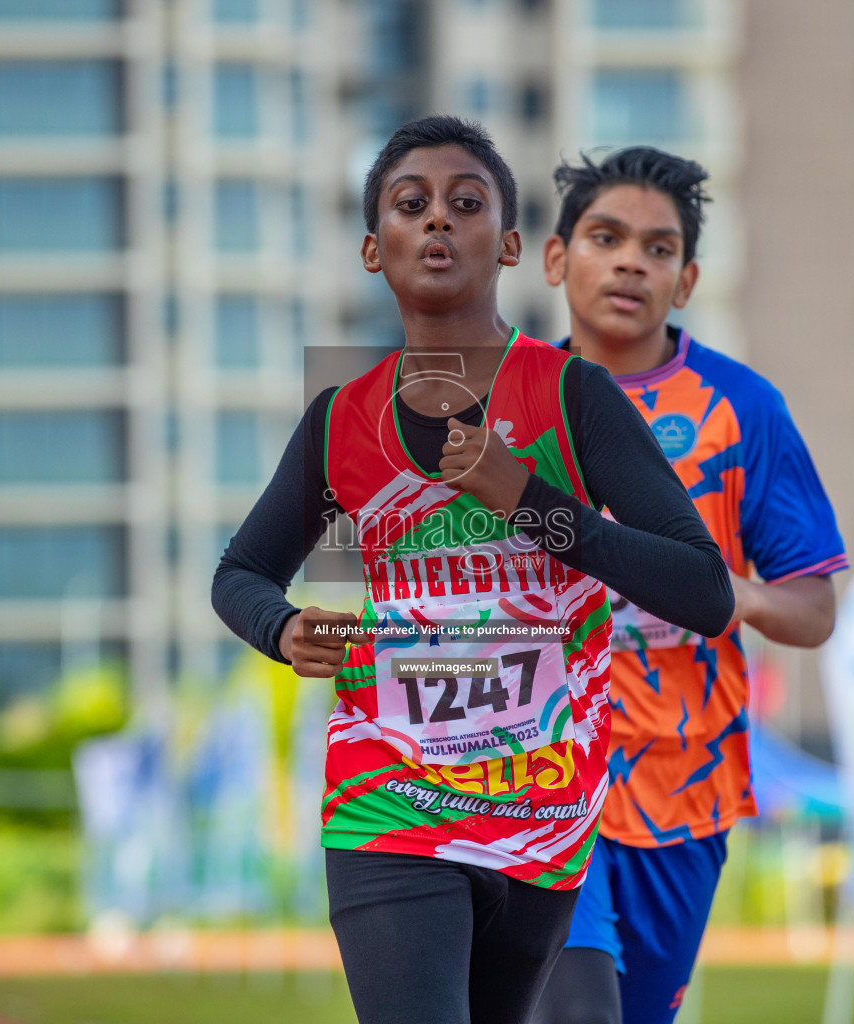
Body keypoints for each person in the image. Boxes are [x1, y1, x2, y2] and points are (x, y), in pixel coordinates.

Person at [213, 116, 735, 1024]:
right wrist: (282, 625)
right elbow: (240, 573)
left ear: (512, 246)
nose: (439, 223)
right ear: (376, 250)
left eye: (467, 204)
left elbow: (704, 591)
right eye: (412, 207)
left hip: (544, 808)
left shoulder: (573, 396)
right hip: (390, 791)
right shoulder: (343, 420)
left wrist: (527, 499)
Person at [530, 147, 848, 1024]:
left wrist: (718, 591)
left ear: (688, 277)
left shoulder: (742, 409)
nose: (632, 260)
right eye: (605, 237)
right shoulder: (508, 407)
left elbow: (814, 610)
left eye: (658, 247)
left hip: (686, 784)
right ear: (558, 260)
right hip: (540, 771)